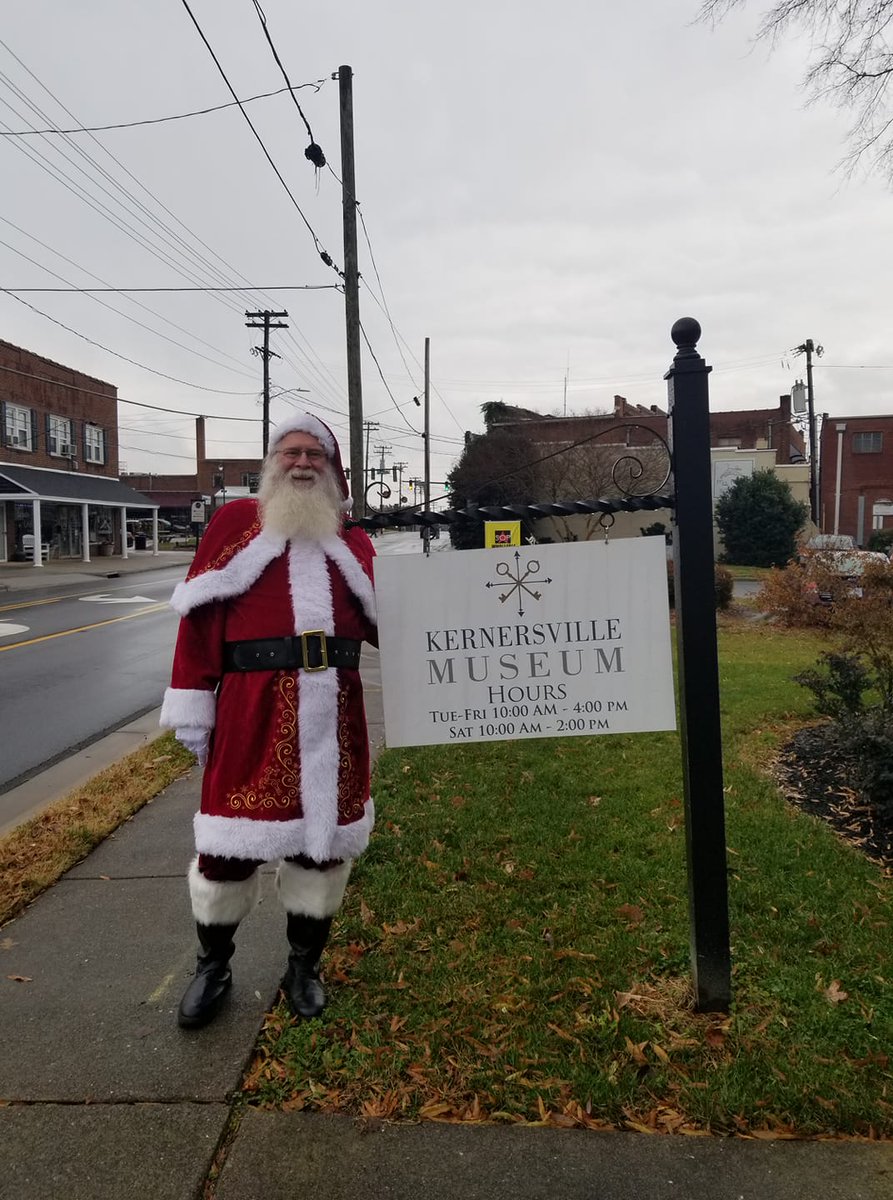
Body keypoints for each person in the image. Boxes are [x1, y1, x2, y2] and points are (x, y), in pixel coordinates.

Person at [160, 413, 377, 1030]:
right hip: (250, 714)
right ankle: (213, 965)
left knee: (323, 846)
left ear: (334, 471)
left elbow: (403, 628)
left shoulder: (354, 542)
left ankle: (303, 967)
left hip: (335, 719)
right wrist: (194, 708)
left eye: (315, 453)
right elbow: (197, 627)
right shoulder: (232, 525)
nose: (302, 462)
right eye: (290, 451)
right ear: (271, 463)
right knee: (226, 846)